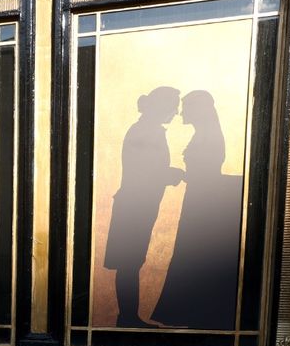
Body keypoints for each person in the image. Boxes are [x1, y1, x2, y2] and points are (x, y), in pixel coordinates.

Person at [151, 90, 244, 330]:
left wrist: (179, 174)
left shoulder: (208, 135)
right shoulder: (204, 134)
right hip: (199, 198)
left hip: (203, 202)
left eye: (186, 107)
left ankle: (197, 313)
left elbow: (207, 171)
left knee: (193, 254)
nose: (182, 112)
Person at [103, 86, 184, 327]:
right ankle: (127, 317)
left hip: (136, 206)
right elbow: (146, 172)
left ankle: (127, 316)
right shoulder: (146, 132)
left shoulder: (145, 130)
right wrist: (174, 174)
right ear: (162, 107)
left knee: (130, 263)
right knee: (130, 263)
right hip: (134, 208)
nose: (177, 112)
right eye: (174, 106)